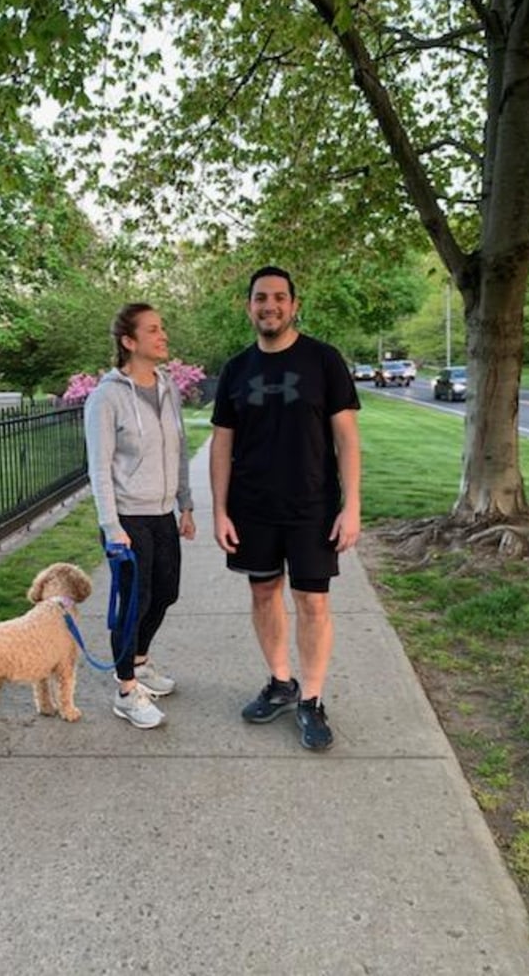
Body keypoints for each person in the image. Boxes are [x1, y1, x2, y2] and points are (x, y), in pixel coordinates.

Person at [210, 266, 361, 750]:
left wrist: (352, 504)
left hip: (312, 507)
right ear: (249, 306)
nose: (269, 305)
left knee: (313, 602)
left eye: (279, 297)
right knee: (263, 593)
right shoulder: (236, 369)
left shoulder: (323, 360)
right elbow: (220, 445)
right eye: (260, 298)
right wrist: (219, 510)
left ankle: (312, 699)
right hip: (252, 506)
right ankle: (280, 682)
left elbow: (347, 438)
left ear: (295, 305)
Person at [85, 303, 196, 729]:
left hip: (163, 514)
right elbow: (99, 468)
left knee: (165, 593)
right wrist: (112, 528)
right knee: (135, 603)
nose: (162, 335)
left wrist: (185, 504)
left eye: (162, 328)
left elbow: (180, 448)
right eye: (153, 330)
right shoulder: (106, 397)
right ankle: (126, 691)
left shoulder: (167, 387)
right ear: (129, 342)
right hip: (127, 520)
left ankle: (140, 661)